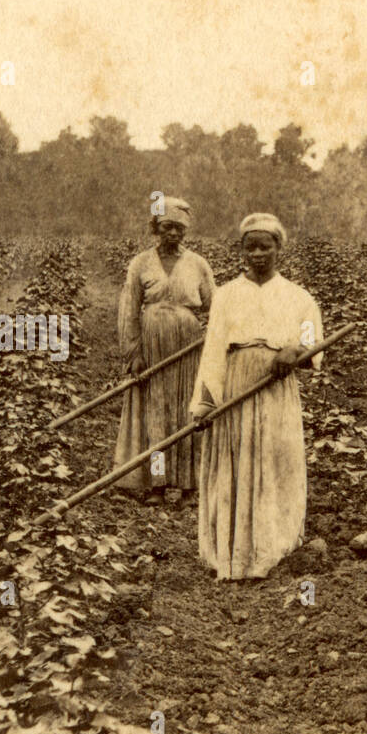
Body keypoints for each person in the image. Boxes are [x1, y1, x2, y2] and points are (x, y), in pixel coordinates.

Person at [190, 213, 324, 580]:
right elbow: (214, 349)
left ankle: (273, 548)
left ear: (279, 248)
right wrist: (205, 401)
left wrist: (294, 350)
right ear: (242, 251)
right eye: (251, 247)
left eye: (266, 246)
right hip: (237, 384)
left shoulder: (298, 296)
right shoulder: (227, 295)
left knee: (274, 460)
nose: (258, 254)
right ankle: (233, 555)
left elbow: (314, 340)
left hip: (275, 388)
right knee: (237, 461)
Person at [114, 197, 215, 504]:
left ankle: (188, 487)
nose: (173, 234)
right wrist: (134, 352)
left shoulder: (198, 264)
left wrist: (212, 339)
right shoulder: (141, 263)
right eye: (167, 227)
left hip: (188, 348)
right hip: (152, 346)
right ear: (155, 227)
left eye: (179, 229)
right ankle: (157, 485)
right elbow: (129, 309)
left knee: (187, 412)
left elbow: (216, 307)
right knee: (156, 415)